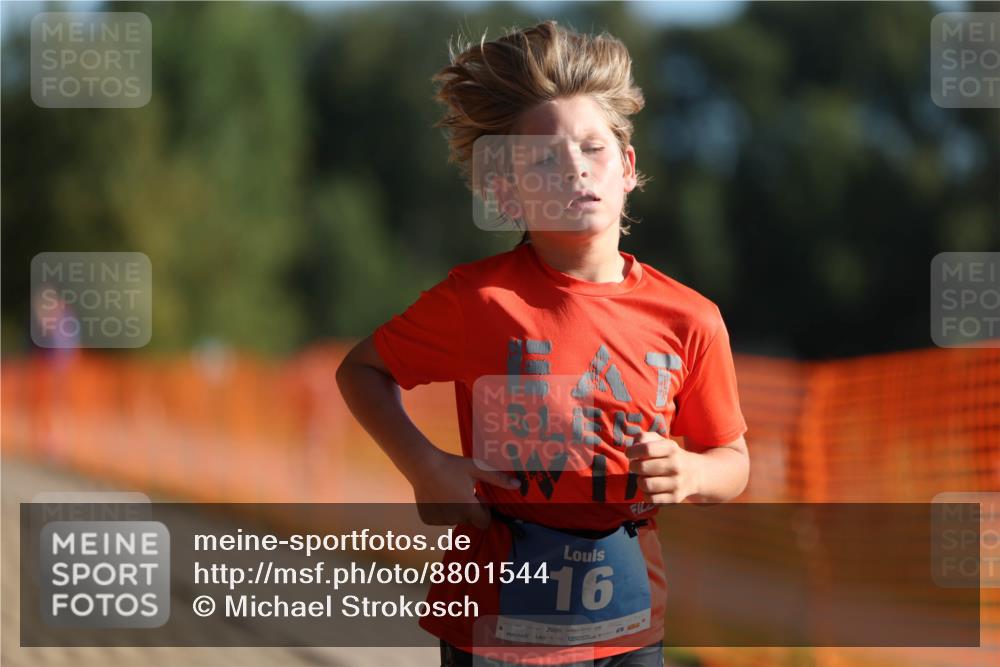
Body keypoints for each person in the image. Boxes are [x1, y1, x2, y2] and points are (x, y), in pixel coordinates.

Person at [336, 20, 749, 667]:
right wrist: (424, 462)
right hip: (498, 628)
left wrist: (694, 470)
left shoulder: (690, 318)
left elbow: (734, 457)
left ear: (628, 167)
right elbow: (360, 370)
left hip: (631, 629)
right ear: (508, 189)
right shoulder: (478, 302)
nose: (575, 171)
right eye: (545, 160)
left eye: (593, 149)